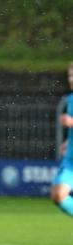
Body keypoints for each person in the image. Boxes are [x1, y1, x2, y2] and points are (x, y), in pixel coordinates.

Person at [50, 62, 73, 216]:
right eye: (69, 76)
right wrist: (67, 142)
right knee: (58, 195)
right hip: (71, 159)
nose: (71, 79)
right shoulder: (71, 99)